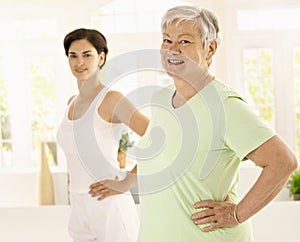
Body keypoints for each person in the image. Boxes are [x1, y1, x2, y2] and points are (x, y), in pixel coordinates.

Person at [133, 5, 298, 242]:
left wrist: (237, 214)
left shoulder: (224, 105)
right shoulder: (160, 99)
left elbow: (283, 162)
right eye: (167, 40)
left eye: (185, 41)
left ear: (210, 48)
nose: (173, 49)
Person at [56, 28, 149, 242]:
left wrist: (126, 183)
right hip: (78, 203)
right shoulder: (70, 103)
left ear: (101, 57)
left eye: (87, 55)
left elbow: (157, 138)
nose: (79, 62)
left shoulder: (111, 99)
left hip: (109, 202)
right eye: (73, 55)